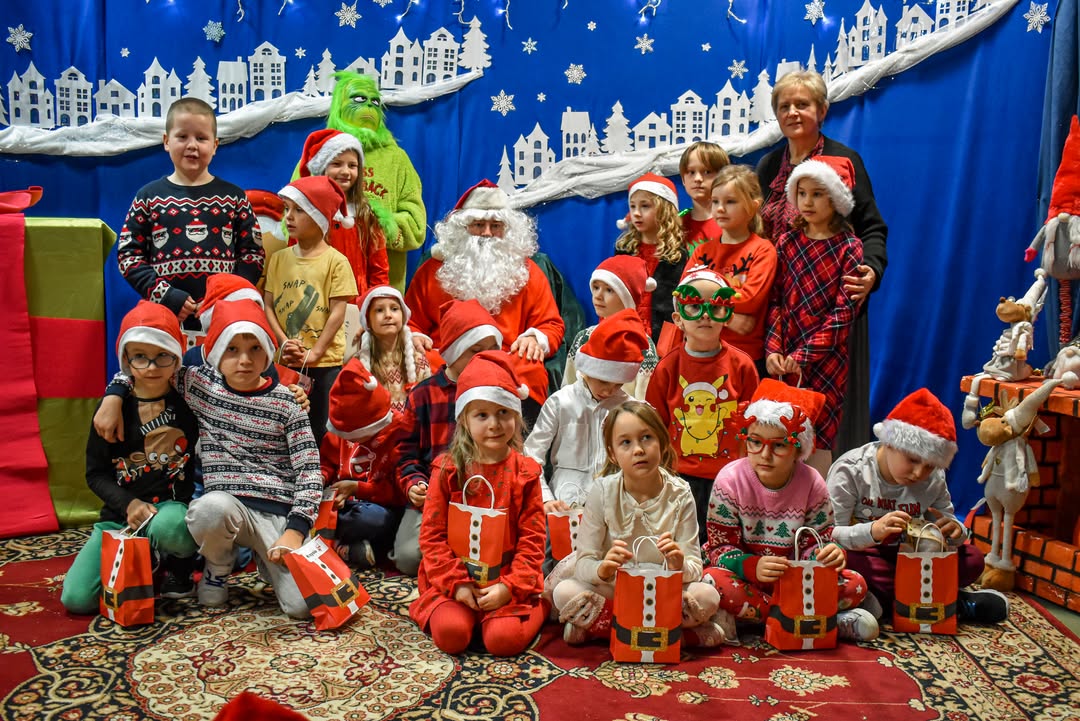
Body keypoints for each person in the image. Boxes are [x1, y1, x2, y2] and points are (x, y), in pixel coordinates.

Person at [99, 299, 323, 618]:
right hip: (226, 507)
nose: (244, 360)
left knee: (304, 607)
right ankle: (217, 567)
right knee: (207, 509)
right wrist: (114, 394)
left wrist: (296, 529)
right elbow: (151, 366)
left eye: (255, 348)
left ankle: (267, 559)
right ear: (216, 352)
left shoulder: (287, 404)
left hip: (277, 514)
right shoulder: (200, 385)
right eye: (232, 349)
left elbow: (310, 472)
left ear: (267, 352)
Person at [756, 69, 888, 457]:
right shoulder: (768, 167)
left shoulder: (844, 160)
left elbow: (872, 227)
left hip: (833, 308)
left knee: (830, 419)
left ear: (822, 110)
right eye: (784, 106)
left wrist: (871, 270)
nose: (793, 112)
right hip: (782, 309)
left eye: (802, 104)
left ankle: (829, 484)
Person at [703, 379, 879, 642]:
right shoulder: (730, 480)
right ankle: (815, 617)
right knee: (712, 580)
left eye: (779, 445)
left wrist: (827, 554)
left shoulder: (812, 482)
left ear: (798, 449)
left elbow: (818, 540)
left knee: (855, 584)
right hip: (747, 578)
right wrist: (750, 565)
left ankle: (765, 616)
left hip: (795, 579)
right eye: (755, 442)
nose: (765, 454)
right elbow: (719, 548)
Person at [551, 400, 730, 648]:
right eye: (626, 442)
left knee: (707, 596)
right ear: (612, 453)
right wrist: (603, 569)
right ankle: (675, 636)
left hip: (663, 589)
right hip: (616, 587)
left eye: (646, 438)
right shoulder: (602, 492)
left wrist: (678, 564)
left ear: (662, 442)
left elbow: (694, 567)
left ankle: (603, 630)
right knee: (564, 592)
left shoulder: (680, 493)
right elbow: (584, 563)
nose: (638, 450)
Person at [827, 388, 1010, 624]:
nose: (918, 473)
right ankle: (951, 602)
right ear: (889, 443)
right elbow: (830, 535)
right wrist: (873, 531)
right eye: (912, 460)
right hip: (867, 554)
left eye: (929, 466)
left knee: (973, 559)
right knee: (849, 564)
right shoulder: (851, 471)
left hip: (914, 557)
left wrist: (955, 531)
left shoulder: (933, 478)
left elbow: (949, 521)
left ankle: (899, 599)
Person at [62, 302, 199, 614]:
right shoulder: (110, 410)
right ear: (126, 359)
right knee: (77, 599)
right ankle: (146, 557)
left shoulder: (190, 401)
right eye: (140, 356)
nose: (151, 367)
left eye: (162, 355)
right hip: (119, 516)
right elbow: (95, 474)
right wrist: (128, 504)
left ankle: (176, 563)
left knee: (171, 527)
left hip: (168, 510)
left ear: (176, 355)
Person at [409, 351, 547, 656]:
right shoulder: (447, 470)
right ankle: (468, 616)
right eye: (482, 415)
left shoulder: (525, 473)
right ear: (464, 420)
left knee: (502, 641)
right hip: (455, 577)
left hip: (507, 577)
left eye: (503, 412)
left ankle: (542, 605)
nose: (494, 424)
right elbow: (432, 536)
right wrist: (457, 584)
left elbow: (533, 539)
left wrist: (509, 587)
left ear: (516, 416)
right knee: (451, 635)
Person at [404, 180, 564, 419]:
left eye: (496, 225)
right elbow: (410, 321)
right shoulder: (432, 271)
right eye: (479, 225)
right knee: (421, 362)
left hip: (505, 357)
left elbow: (551, 324)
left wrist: (535, 338)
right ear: (463, 228)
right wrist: (415, 337)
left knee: (530, 367)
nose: (487, 233)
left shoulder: (528, 272)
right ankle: (433, 435)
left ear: (507, 229)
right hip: (447, 358)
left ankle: (516, 437)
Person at [117, 97, 263, 333]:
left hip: (222, 318)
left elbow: (253, 254)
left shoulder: (234, 198)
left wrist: (227, 296)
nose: (192, 145)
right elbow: (128, 255)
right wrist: (165, 295)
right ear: (166, 141)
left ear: (215, 145)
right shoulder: (148, 197)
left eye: (201, 138)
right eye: (182, 136)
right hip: (164, 317)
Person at [765, 156, 863, 477]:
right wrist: (774, 349)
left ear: (836, 198)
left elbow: (843, 314)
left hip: (827, 360)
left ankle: (816, 502)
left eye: (817, 194)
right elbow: (775, 300)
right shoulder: (787, 242)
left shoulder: (849, 247)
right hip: (786, 356)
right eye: (802, 193)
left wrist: (804, 355)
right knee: (782, 428)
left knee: (819, 434)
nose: (807, 202)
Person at [645, 265, 759, 540]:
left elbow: (753, 424)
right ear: (678, 319)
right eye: (694, 307)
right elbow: (654, 426)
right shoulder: (667, 368)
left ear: (726, 316)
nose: (705, 315)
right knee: (684, 542)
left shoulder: (742, 366)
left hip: (730, 477)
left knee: (726, 542)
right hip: (680, 477)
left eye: (715, 307)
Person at [393, 299, 503, 576]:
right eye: (475, 350)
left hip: (486, 495)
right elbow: (405, 453)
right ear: (454, 351)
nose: (486, 357)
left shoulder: (497, 392)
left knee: (500, 552)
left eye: (493, 349)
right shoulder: (423, 395)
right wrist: (414, 484)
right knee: (408, 558)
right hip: (435, 495)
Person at [264, 175, 360, 446]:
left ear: (319, 216)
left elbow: (338, 312)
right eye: (287, 209)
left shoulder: (336, 262)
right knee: (283, 426)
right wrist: (284, 342)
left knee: (320, 429)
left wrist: (315, 352)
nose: (289, 216)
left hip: (324, 363)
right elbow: (268, 305)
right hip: (285, 360)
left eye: (299, 210)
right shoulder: (279, 259)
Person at [525, 309, 650, 513]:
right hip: (564, 504)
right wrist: (545, 497)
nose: (609, 390)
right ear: (587, 369)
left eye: (618, 384)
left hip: (616, 506)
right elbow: (532, 455)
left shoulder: (630, 409)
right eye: (603, 381)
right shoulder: (560, 402)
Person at [321, 71, 426, 292]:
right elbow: (293, 216)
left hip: (382, 291)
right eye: (359, 99)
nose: (369, 105)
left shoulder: (396, 159)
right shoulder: (321, 153)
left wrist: (380, 222)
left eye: (375, 101)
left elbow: (417, 228)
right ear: (340, 104)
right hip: (325, 286)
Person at [686, 165, 777, 378]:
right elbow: (684, 296)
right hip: (701, 351)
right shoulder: (702, 251)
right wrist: (729, 318)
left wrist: (704, 299)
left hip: (745, 356)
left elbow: (749, 299)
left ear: (752, 207)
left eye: (730, 202)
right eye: (715, 201)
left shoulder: (763, 250)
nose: (720, 208)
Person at [320, 358, 407, 569]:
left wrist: (358, 488)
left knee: (376, 519)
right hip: (341, 505)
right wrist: (321, 479)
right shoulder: (340, 430)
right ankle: (350, 546)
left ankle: (336, 543)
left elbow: (399, 492)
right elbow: (327, 462)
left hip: (379, 508)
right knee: (309, 506)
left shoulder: (400, 433)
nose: (350, 441)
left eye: (356, 437)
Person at [296, 128, 389, 299]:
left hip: (357, 303)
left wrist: (375, 301)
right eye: (337, 164)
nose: (346, 171)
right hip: (315, 301)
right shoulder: (306, 215)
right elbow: (294, 263)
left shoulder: (365, 214)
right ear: (322, 168)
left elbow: (379, 270)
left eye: (352, 166)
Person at [562, 255, 659, 399]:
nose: (598, 296)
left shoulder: (642, 344)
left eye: (609, 290)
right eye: (596, 287)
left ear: (628, 296)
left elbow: (644, 401)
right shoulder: (583, 337)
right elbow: (567, 389)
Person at [614, 173, 689, 346]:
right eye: (632, 206)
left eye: (645, 206)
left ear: (664, 210)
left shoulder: (676, 255)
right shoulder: (624, 249)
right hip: (626, 333)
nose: (636, 213)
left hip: (662, 337)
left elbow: (674, 304)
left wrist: (667, 345)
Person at [354, 285, 435, 414]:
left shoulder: (418, 361)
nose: (388, 315)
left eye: (394, 309)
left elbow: (429, 407)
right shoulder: (358, 366)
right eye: (379, 310)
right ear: (368, 320)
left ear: (403, 315)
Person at [678, 141, 729, 254]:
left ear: (723, 177)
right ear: (683, 179)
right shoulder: (676, 223)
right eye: (691, 172)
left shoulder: (733, 221)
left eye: (707, 172)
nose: (698, 179)